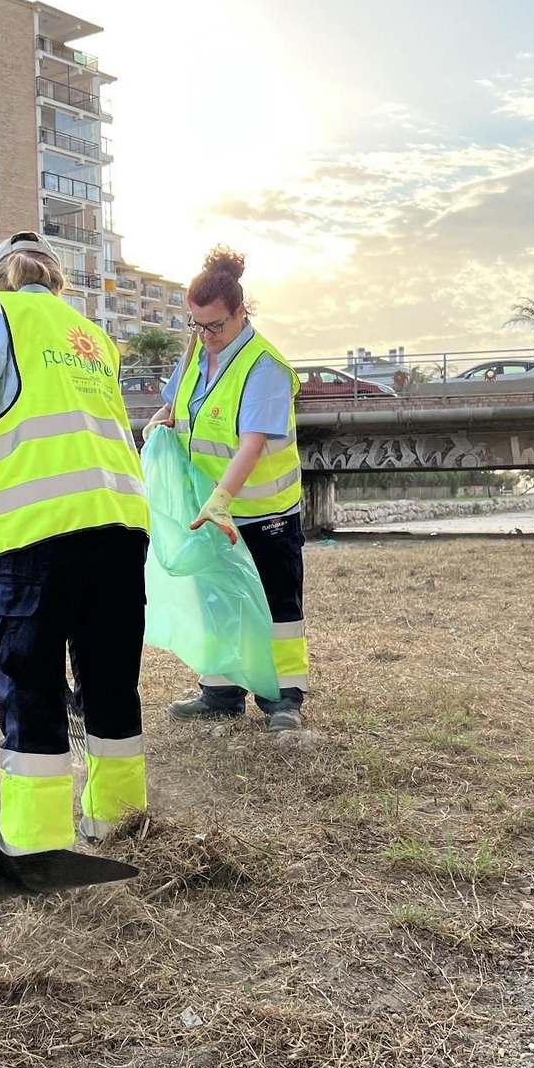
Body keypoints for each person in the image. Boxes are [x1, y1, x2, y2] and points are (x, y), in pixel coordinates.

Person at [0, 231, 149, 852]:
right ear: (57, 281)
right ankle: (119, 819)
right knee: (109, 679)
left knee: (32, 684)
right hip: (120, 522)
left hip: (39, 526)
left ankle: (40, 841)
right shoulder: (91, 335)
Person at [142, 248, 307, 733]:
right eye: (196, 325)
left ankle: (283, 700)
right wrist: (156, 426)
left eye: (214, 326)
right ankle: (220, 693)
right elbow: (177, 408)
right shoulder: (197, 354)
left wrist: (221, 501)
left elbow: (251, 445)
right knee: (216, 599)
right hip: (210, 509)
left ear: (240, 312)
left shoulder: (264, 367)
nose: (206, 336)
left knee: (276, 606)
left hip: (262, 511)